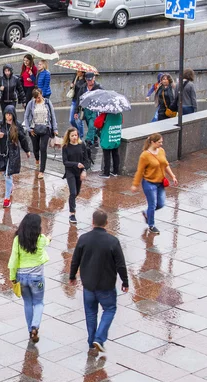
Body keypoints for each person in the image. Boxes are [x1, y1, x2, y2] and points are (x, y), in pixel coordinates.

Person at [69, 210, 129, 354]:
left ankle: (91, 342)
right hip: (106, 286)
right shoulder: (113, 242)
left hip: (88, 285)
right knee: (110, 309)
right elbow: (120, 264)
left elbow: (75, 259)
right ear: (106, 223)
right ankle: (99, 338)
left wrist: (72, 276)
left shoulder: (83, 239)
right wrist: (125, 281)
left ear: (92, 222)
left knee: (90, 313)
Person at [8, 213, 51, 343]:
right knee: (38, 302)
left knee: (27, 303)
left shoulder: (18, 240)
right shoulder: (41, 239)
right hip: (37, 277)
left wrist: (12, 276)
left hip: (21, 277)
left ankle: (29, 331)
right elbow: (46, 241)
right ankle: (35, 326)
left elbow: (14, 259)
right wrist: (49, 238)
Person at [130, 134, 178, 235]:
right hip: (149, 183)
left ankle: (146, 213)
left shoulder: (161, 151)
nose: (161, 144)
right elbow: (140, 171)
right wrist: (135, 184)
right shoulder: (145, 155)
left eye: (161, 142)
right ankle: (151, 225)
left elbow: (165, 164)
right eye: (159, 142)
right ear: (152, 142)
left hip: (160, 182)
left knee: (160, 203)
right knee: (152, 205)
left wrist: (172, 176)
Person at [0, 105, 31, 208]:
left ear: (13, 115)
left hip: (13, 155)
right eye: (6, 114)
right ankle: (11, 185)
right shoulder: (0, 124)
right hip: (2, 153)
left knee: (8, 175)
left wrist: (27, 150)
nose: (8, 116)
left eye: (10, 114)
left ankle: (7, 198)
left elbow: (23, 139)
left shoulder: (17, 125)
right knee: (4, 172)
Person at [24, 88, 58, 179]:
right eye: (35, 98)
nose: (37, 100)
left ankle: (42, 170)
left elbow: (53, 116)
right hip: (34, 129)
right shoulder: (31, 103)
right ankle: (37, 160)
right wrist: (28, 129)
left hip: (45, 128)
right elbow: (26, 116)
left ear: (41, 94)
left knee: (43, 148)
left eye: (38, 97)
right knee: (36, 148)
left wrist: (55, 129)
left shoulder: (47, 102)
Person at [62, 127, 90, 224]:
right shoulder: (65, 147)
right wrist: (76, 164)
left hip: (80, 172)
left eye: (76, 135)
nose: (74, 137)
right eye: (72, 135)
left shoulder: (82, 145)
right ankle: (72, 214)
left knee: (76, 193)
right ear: (69, 137)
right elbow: (65, 162)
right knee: (73, 192)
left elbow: (86, 160)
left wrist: (84, 170)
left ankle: (71, 202)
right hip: (70, 172)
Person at [75, 72, 103, 147]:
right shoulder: (83, 87)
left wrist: (102, 109)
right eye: (88, 80)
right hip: (86, 109)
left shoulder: (98, 87)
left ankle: (88, 141)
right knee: (90, 125)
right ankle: (95, 139)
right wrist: (76, 111)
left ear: (94, 78)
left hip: (95, 109)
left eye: (91, 80)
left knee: (92, 125)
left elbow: (103, 98)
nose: (89, 82)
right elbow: (79, 99)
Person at [97, 113, 122, 178]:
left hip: (107, 137)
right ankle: (115, 171)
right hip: (115, 136)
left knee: (107, 155)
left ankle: (106, 173)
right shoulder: (120, 114)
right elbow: (121, 121)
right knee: (115, 154)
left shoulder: (104, 114)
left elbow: (97, 124)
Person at [69, 71, 86, 139]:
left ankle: (80, 136)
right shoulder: (75, 77)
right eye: (77, 71)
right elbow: (72, 89)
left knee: (79, 121)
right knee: (71, 120)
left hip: (80, 102)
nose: (77, 72)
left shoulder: (85, 81)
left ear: (83, 73)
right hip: (74, 100)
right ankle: (77, 132)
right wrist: (71, 86)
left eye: (79, 71)